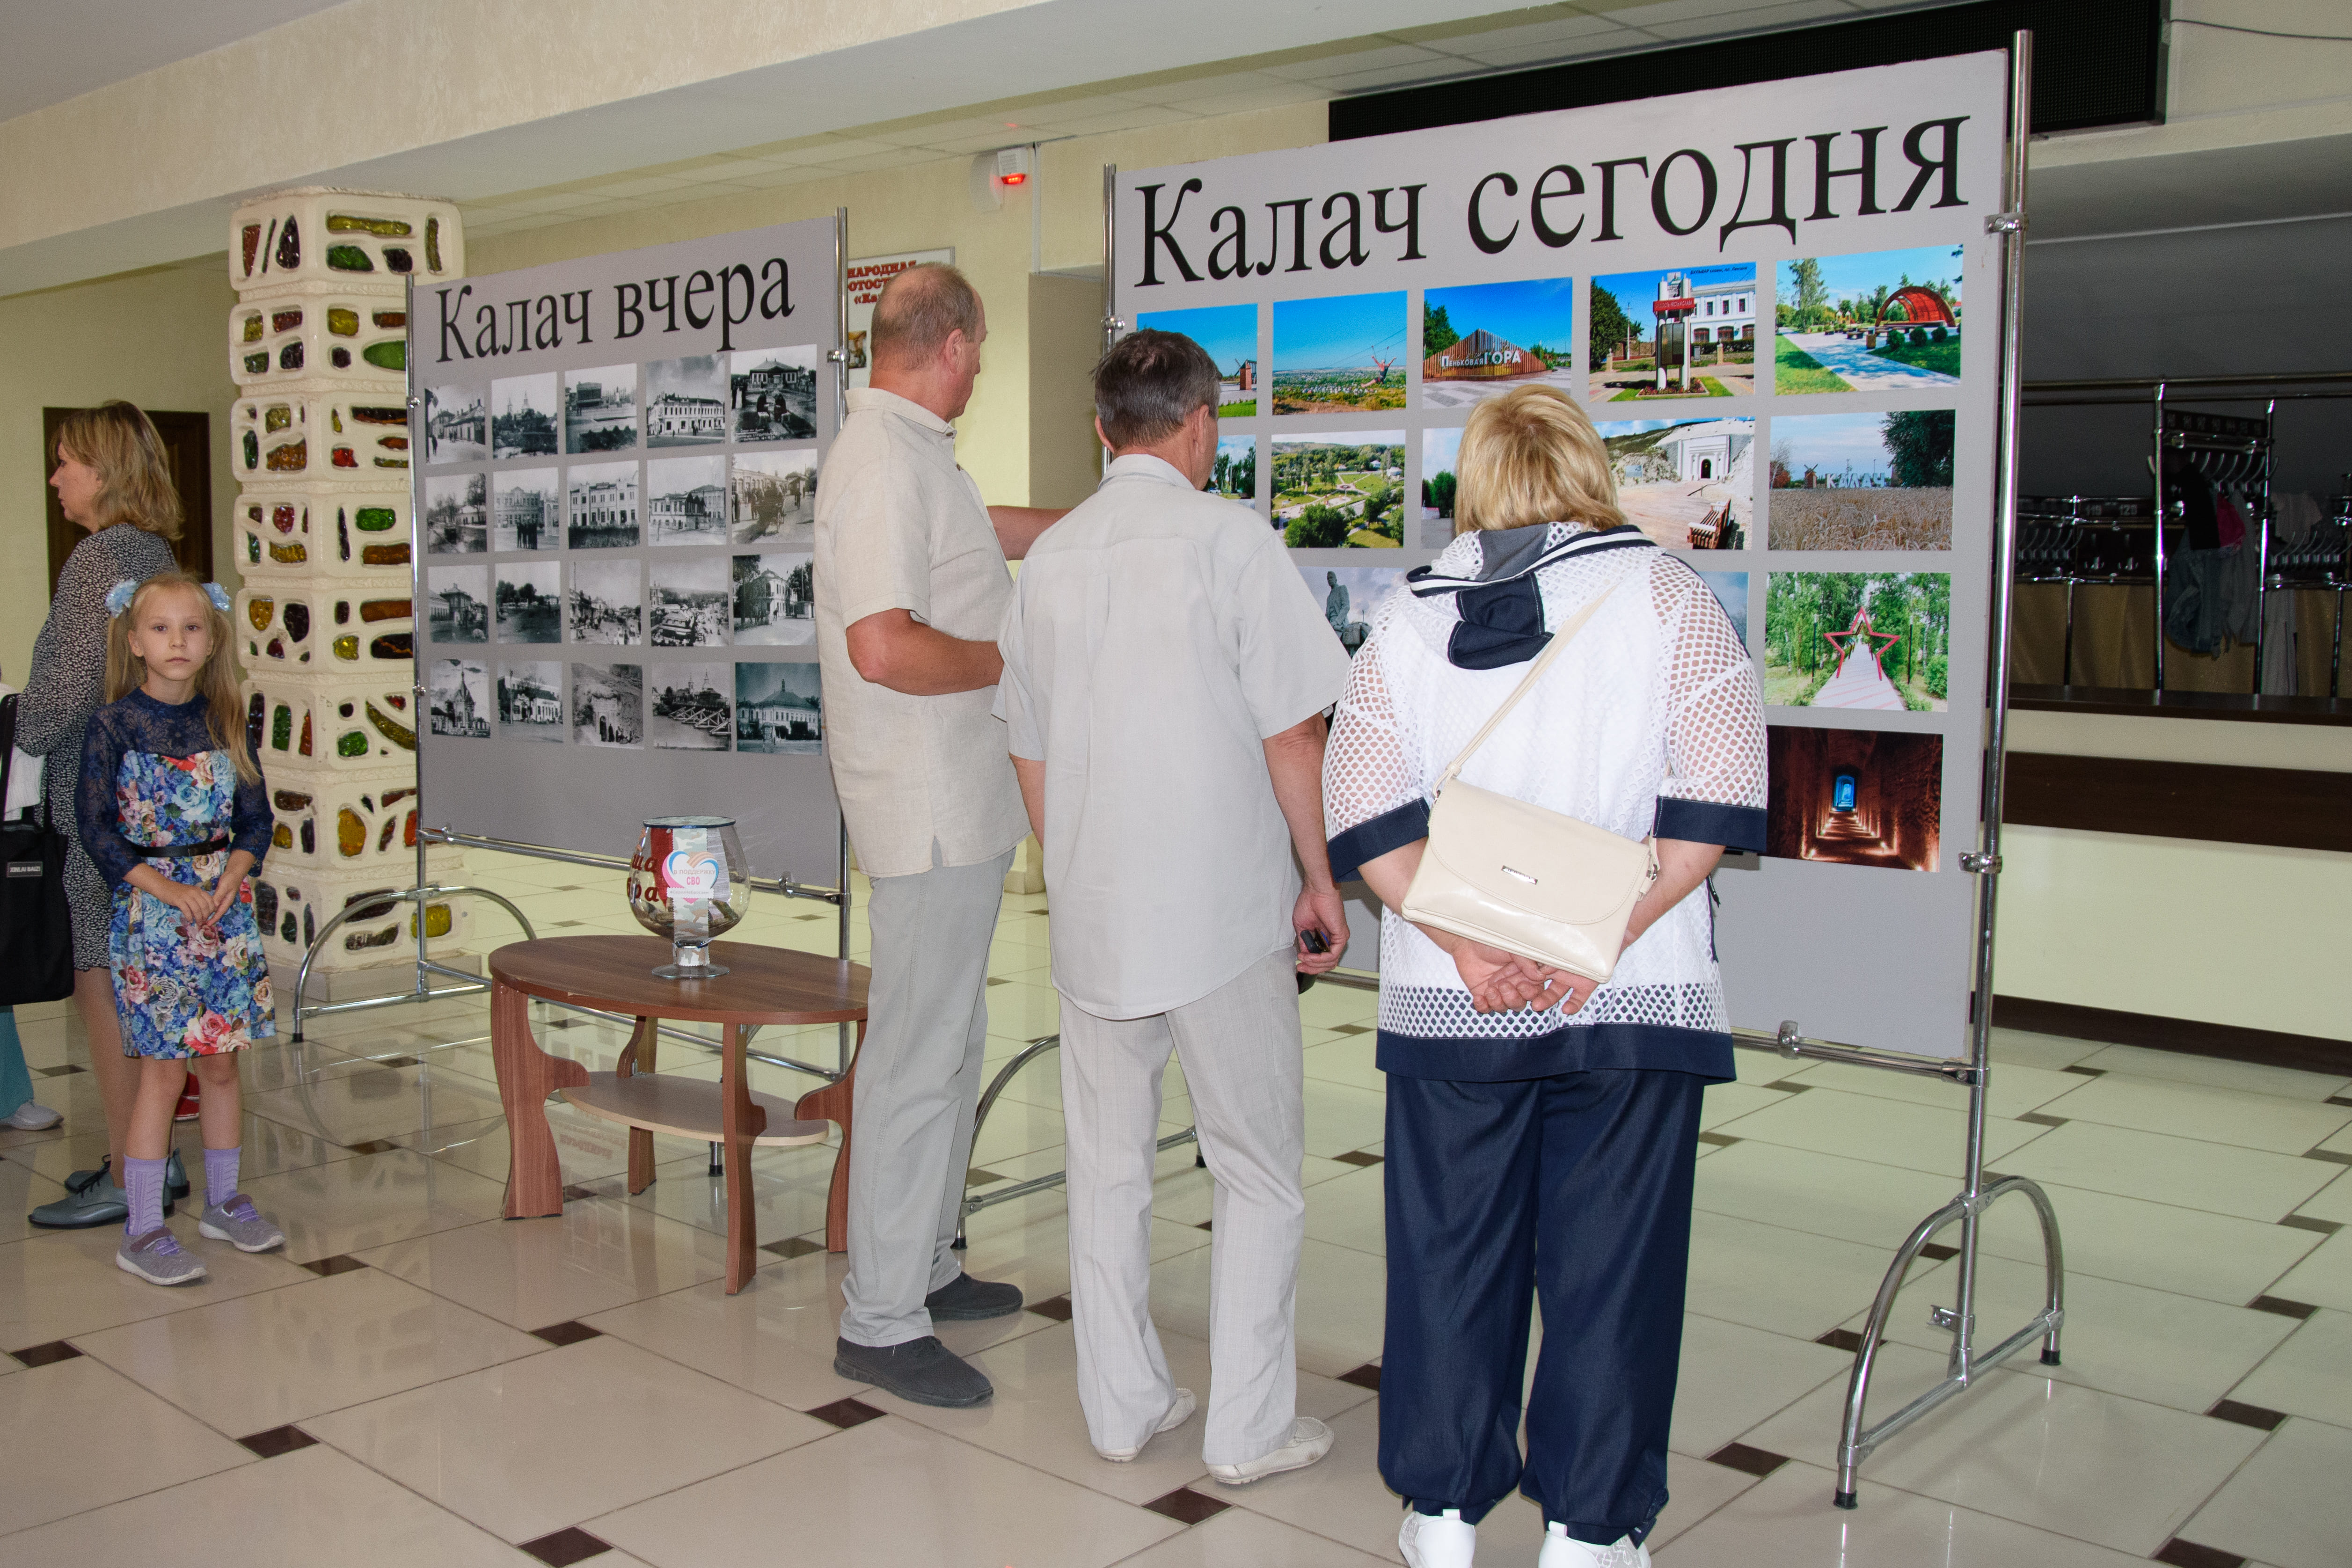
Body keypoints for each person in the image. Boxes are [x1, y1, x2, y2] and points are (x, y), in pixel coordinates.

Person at [1320, 386, 1766, 1568]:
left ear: (1472, 481)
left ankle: (1446, 1513)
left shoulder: (1405, 621)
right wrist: (1596, 934)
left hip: (1450, 1001)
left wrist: (1470, 944)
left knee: (1448, 1252)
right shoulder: (1670, 595)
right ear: (1590, 471)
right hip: (1628, 995)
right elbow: (1711, 801)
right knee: (1611, 1261)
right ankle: (1587, 1530)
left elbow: (1362, 813)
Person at [995, 329, 1350, 1485]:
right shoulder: (1228, 542)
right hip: (1217, 913)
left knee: (1107, 1166)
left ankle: (1122, 1402)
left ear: (1103, 431)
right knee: (1254, 1165)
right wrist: (1318, 874)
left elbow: (1028, 746)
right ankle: (1246, 1428)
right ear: (1199, 425)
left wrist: (1077, 861)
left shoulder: (1048, 561)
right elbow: (1294, 729)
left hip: (1096, 911)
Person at [814, 262, 1065, 1407]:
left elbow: (978, 528)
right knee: (915, 1057)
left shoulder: (913, 448)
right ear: (956, 343)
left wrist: (1107, 521)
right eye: (982, 353)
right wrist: (1014, 663)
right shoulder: (876, 460)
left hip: (957, 804)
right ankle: (878, 1318)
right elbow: (882, 645)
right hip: (923, 808)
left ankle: (925, 1260)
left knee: (950, 1041)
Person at [78, 572, 284, 1285]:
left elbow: (257, 819)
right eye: (161, 628)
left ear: (211, 640)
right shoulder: (112, 728)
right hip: (155, 916)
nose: (177, 641)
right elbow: (98, 832)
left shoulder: (227, 720)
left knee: (222, 1064)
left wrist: (231, 877)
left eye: (191, 628)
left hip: (223, 918)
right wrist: (166, 888)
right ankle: (141, 1228)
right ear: (135, 642)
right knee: (165, 1075)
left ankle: (225, 1201)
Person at [21, 403, 188, 1227]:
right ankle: (158, 1154)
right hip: (148, 794)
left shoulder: (97, 559)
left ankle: (133, 1175)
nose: (56, 478)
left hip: (97, 801)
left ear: (105, 469)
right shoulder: (154, 553)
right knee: (137, 975)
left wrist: (19, 722)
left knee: (104, 980)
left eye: (66, 462)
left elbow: (61, 696)